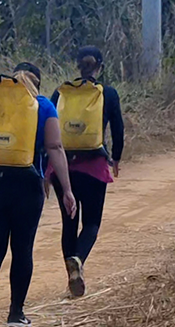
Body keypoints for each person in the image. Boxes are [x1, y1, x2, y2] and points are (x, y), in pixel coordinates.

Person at [0, 64, 76, 327]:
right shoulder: (44, 106)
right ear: (37, 83)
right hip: (27, 184)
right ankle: (16, 313)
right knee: (22, 249)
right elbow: (55, 147)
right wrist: (67, 189)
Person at [49, 46, 124, 298]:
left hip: (62, 167)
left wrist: (44, 165)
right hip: (93, 166)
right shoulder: (108, 93)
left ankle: (72, 272)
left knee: (68, 223)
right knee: (91, 222)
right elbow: (118, 128)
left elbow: (45, 129)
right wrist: (116, 158)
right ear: (100, 66)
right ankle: (78, 261)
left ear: (78, 65)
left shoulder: (60, 93)